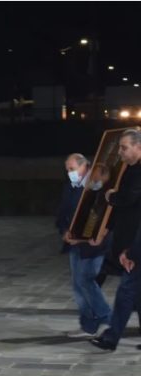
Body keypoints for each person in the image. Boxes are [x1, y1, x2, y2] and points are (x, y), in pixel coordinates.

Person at [91, 128, 141, 351]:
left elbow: (129, 199)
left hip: (136, 242)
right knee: (135, 291)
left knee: (126, 290)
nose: (120, 152)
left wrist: (112, 196)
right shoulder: (131, 168)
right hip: (130, 239)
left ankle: (111, 338)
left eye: (124, 147)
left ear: (138, 147)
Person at [56, 154, 111, 338]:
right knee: (78, 286)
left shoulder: (97, 186)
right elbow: (62, 213)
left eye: (72, 169)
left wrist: (82, 238)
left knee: (86, 280)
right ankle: (88, 325)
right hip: (74, 244)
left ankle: (107, 317)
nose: (69, 173)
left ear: (85, 166)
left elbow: (99, 216)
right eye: (67, 170)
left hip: (93, 244)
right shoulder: (70, 187)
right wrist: (64, 231)